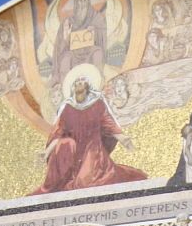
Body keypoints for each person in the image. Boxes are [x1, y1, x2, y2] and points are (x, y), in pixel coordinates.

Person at [31, 66, 147, 195]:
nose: (79, 84)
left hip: (92, 148)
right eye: (77, 83)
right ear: (73, 88)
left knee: (85, 182)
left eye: (82, 82)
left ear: (88, 86)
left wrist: (123, 138)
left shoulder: (97, 104)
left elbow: (109, 124)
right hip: (73, 152)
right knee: (65, 143)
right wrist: (46, 152)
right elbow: (59, 133)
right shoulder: (68, 108)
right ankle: (63, 178)